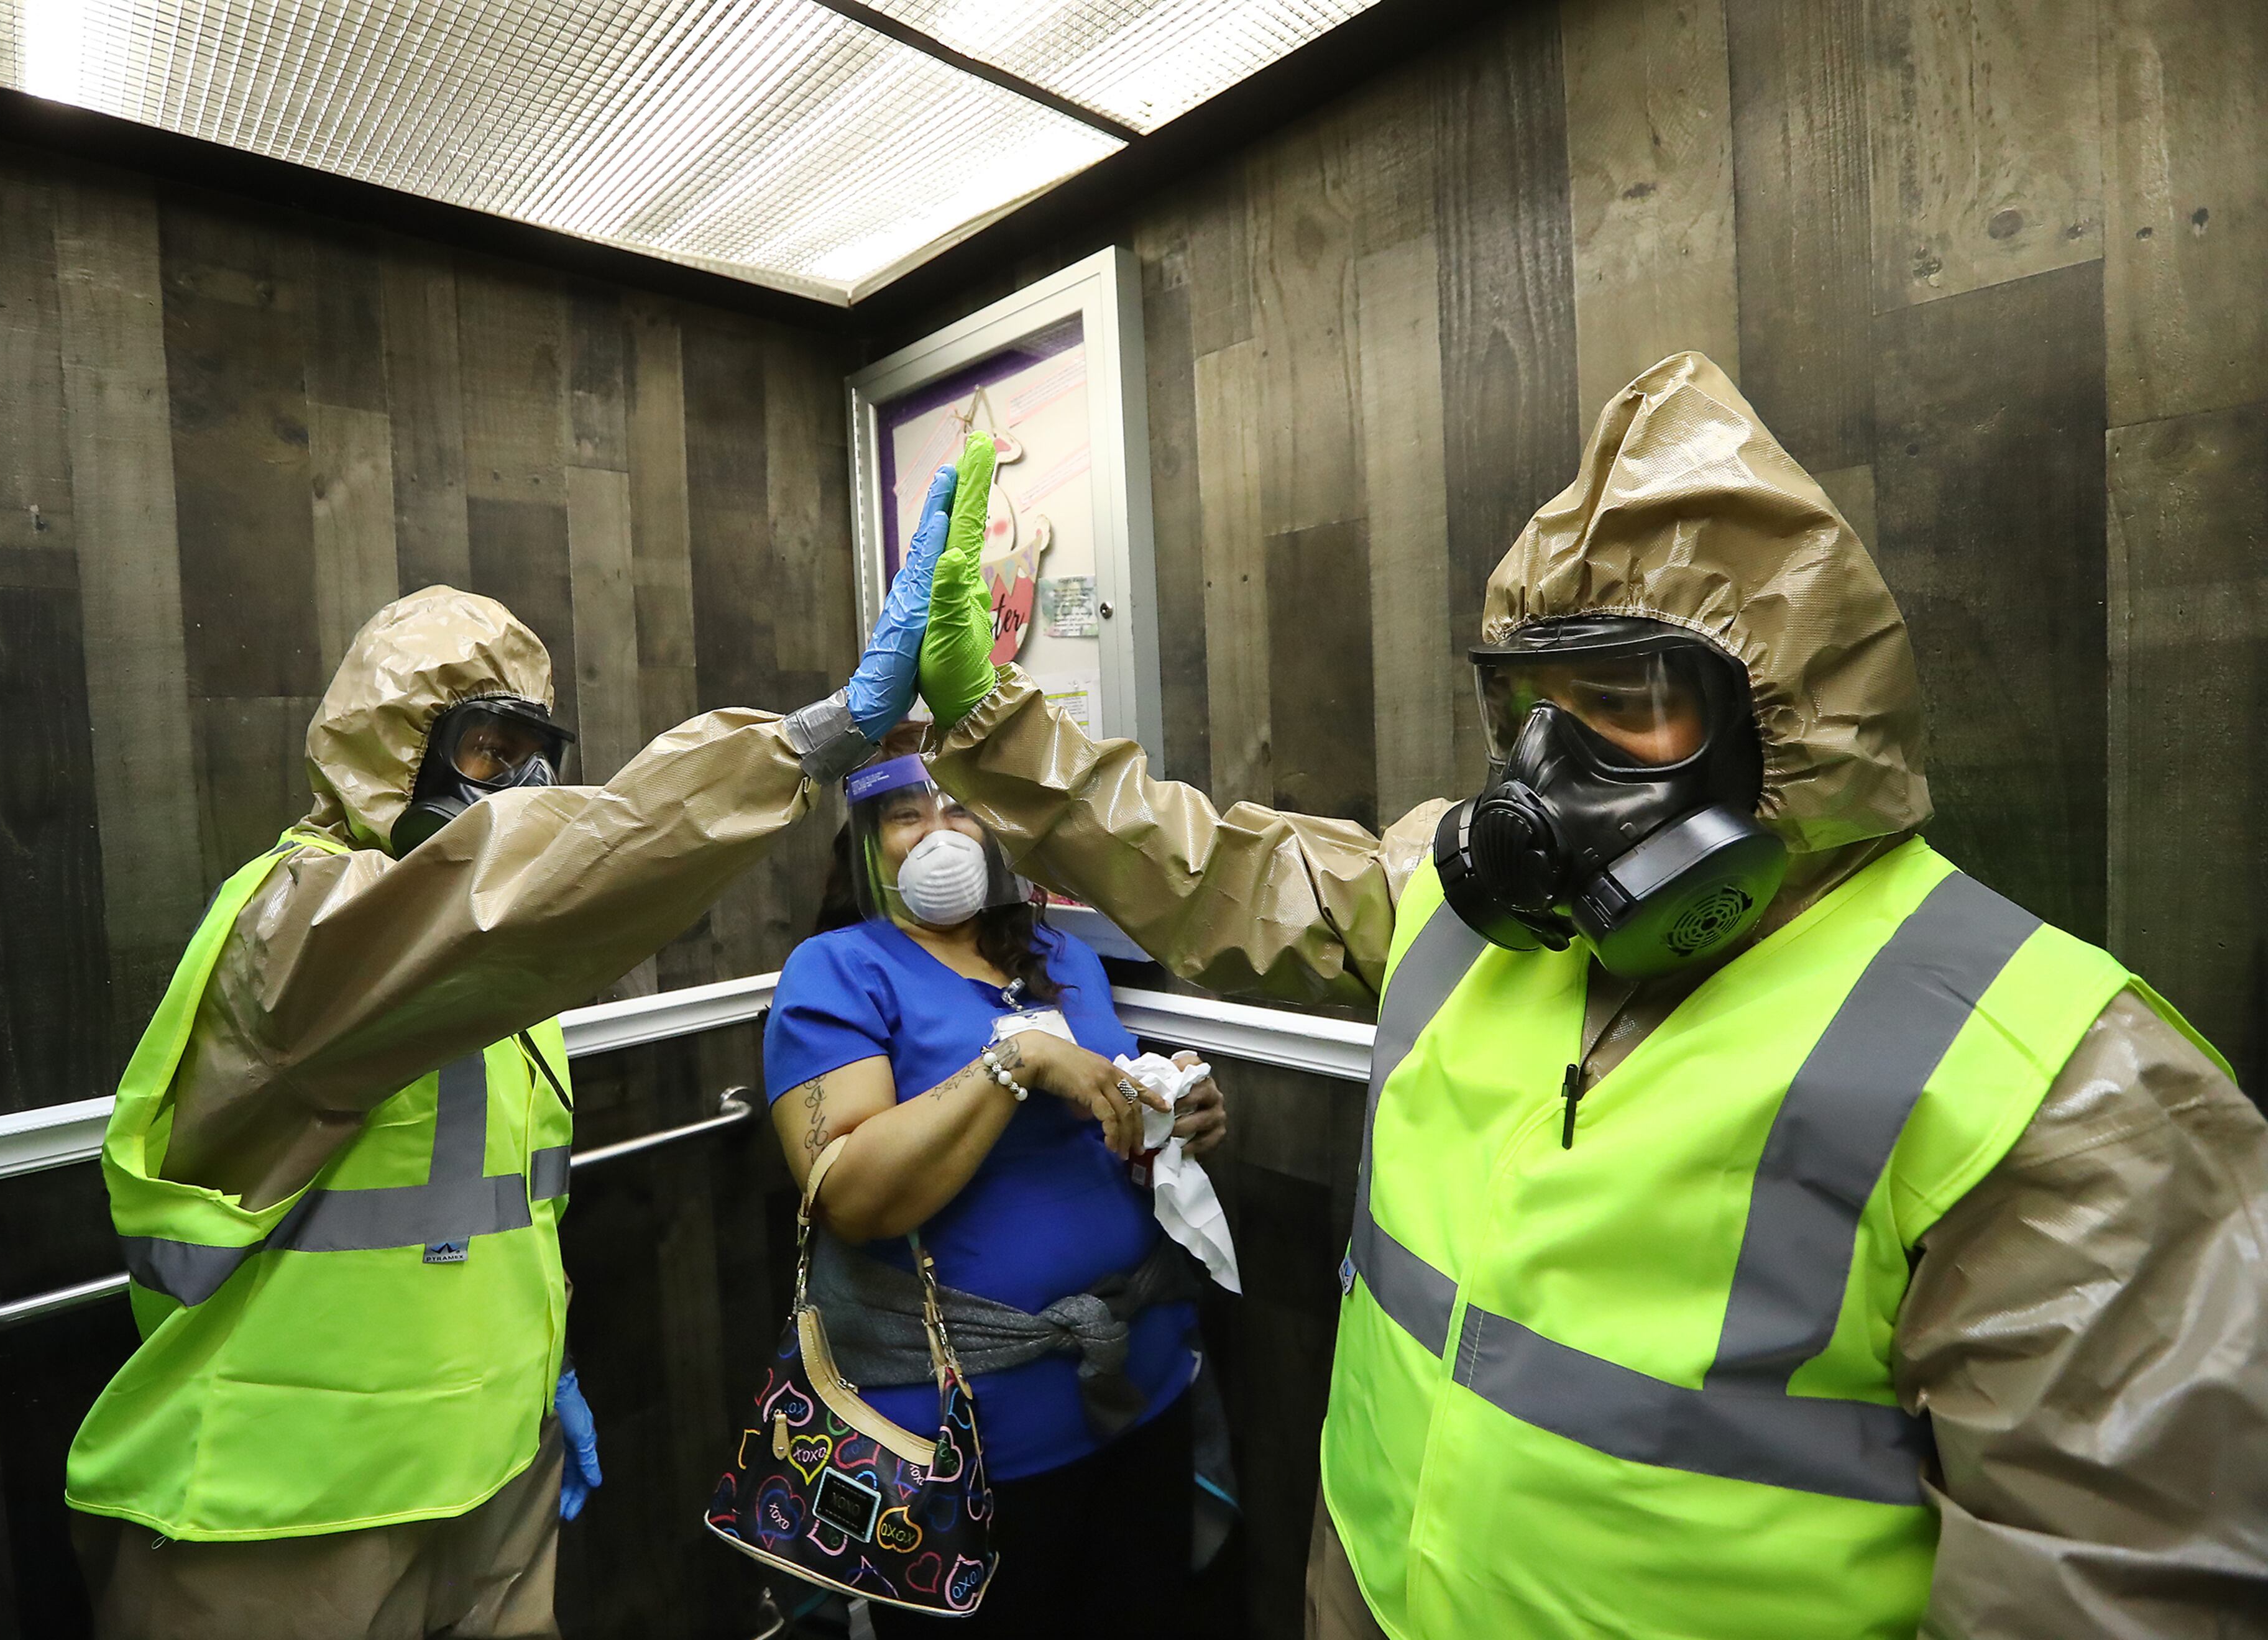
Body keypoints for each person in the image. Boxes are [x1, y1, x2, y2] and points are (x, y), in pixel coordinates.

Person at [902, 352, 2268, 1637]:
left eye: (1624, 700)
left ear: (1783, 722)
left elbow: (2110, 1583)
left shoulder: (2058, 1081)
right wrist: (993, 728)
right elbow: (1216, 869)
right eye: (1530, 705)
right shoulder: (1457, 914)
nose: (1550, 768)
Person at [65, 464, 964, 1640]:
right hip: (278, 1513)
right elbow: (534, 889)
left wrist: (542, 1378)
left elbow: (492, 1224)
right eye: (487, 749)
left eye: (537, 752)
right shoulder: (297, 929)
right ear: (395, 747)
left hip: (492, 1477)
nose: (525, 786)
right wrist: (813, 740)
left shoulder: (501, 981)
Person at [761, 744, 1229, 1638]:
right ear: (867, 847)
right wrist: (1015, 1062)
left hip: (1142, 1390)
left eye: (961, 808)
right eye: (907, 815)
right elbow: (850, 1196)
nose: (940, 833)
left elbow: (1106, 1109)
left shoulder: (1060, 956)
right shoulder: (839, 971)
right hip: (970, 1450)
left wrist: (1177, 1112)